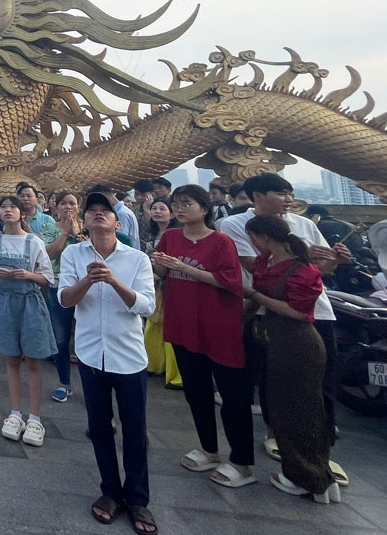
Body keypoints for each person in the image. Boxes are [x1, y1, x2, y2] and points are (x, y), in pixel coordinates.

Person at [218, 173, 346, 474]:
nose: (288, 199)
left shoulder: (306, 225)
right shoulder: (238, 226)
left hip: (312, 315)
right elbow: (254, 268)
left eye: (290, 192)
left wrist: (335, 260)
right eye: (280, 192)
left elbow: (320, 272)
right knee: (271, 384)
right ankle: (283, 443)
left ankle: (320, 455)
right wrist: (302, 257)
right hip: (266, 318)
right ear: (256, 196)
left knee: (320, 386)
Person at [58, 192, 157, 533]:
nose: (98, 215)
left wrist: (113, 280)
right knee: (99, 426)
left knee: (134, 430)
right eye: (93, 212)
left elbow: (146, 306)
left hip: (128, 356)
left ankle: (139, 499)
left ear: (118, 221)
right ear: (84, 222)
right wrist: (88, 279)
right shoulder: (74, 254)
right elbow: (66, 299)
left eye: (105, 212)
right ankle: (111, 492)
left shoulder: (137, 259)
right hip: (90, 353)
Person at [150, 184, 252, 488]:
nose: (180, 209)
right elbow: (163, 274)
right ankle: (209, 450)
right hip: (183, 324)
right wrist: (156, 268)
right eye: (176, 204)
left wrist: (183, 267)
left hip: (219, 327)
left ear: (204, 209)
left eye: (187, 204)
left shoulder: (221, 241)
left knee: (233, 396)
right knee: (196, 392)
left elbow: (229, 282)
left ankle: (242, 462)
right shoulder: (170, 237)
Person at [244, 215, 341, 501]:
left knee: (301, 411)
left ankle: (308, 477)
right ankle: (316, 475)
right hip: (274, 338)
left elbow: (300, 312)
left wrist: (254, 295)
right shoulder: (267, 261)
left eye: (253, 237)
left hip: (298, 343)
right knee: (282, 409)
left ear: (263, 237)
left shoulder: (302, 270)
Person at [0, 195, 57, 446]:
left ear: (21, 213)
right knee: (11, 358)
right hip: (5, 302)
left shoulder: (33, 242)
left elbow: (47, 277)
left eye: (12, 207)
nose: (7, 211)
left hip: (30, 302)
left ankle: (35, 417)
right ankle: (15, 413)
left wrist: (28, 274)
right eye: (3, 207)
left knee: (34, 360)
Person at [40, 191, 86, 403]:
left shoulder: (88, 227)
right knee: (61, 338)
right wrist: (65, 234)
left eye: (72, 203)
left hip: (86, 288)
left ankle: (91, 385)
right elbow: (49, 254)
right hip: (58, 286)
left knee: (87, 337)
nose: (68, 207)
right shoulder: (49, 227)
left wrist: (79, 235)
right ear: (56, 207)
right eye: (64, 203)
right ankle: (64, 383)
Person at [142, 198, 182, 389]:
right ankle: (153, 364)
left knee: (170, 326)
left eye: (162, 208)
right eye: (154, 208)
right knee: (153, 325)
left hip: (171, 284)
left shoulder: (176, 234)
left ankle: (176, 375)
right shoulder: (152, 234)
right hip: (155, 283)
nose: (157, 211)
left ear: (172, 214)